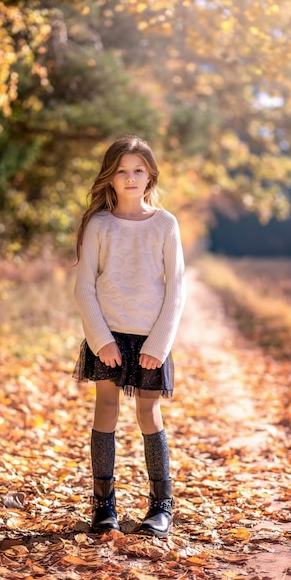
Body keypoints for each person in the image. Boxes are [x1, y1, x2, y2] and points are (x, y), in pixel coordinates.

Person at [73, 135, 186, 537]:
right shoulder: (99, 224)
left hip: (151, 337)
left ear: (150, 175)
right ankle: (103, 506)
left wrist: (159, 344)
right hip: (108, 335)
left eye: (138, 170)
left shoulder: (165, 224)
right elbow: (85, 287)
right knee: (105, 410)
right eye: (122, 170)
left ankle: (161, 506)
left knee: (148, 413)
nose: (130, 177)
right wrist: (100, 338)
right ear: (111, 177)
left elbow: (176, 289)